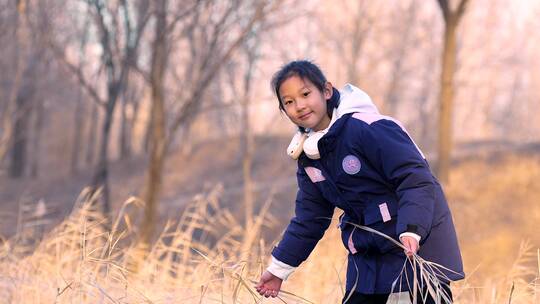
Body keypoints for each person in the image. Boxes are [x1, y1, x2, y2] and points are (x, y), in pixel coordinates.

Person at [255, 60, 464, 303]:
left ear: (326, 91)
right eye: (289, 102)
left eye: (305, 94)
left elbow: (416, 179)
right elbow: (309, 220)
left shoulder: (369, 129)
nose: (299, 106)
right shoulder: (309, 157)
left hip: (414, 252)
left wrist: (412, 229)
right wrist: (279, 269)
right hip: (367, 261)